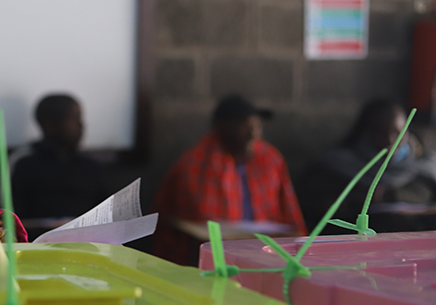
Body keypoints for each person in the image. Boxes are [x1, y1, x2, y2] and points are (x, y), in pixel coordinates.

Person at [152, 94, 306, 265]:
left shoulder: (270, 159)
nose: (253, 134)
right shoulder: (195, 164)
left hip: (266, 251)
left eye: (257, 126)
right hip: (211, 257)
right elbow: (186, 223)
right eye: (245, 126)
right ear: (222, 127)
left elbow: (290, 213)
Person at [299, 99, 436, 233]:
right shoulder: (335, 168)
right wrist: (353, 202)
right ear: (367, 132)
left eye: (398, 133)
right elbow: (315, 213)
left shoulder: (423, 165)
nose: (391, 141)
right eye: (382, 134)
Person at [10, 94, 110, 236]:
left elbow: (106, 211)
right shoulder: (24, 163)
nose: (82, 125)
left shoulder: (91, 166)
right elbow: (8, 214)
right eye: (74, 119)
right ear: (49, 125)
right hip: (37, 243)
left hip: (87, 242)